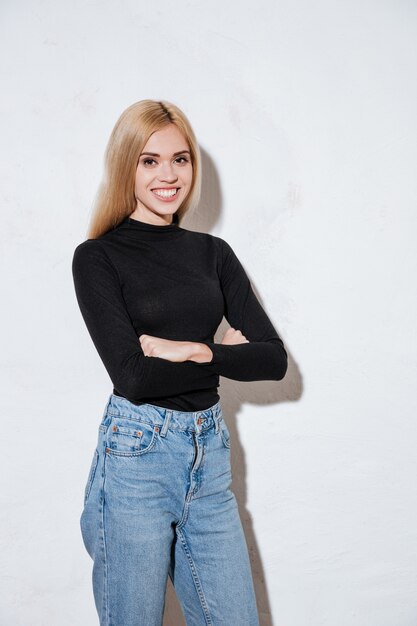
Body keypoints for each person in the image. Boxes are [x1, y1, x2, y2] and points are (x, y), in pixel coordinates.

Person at [72, 99, 288, 626]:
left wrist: (196, 350)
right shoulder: (98, 257)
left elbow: (273, 361)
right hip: (136, 459)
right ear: (127, 166)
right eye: (149, 160)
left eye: (181, 158)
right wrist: (227, 355)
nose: (168, 175)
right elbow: (134, 376)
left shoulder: (213, 253)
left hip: (209, 457)